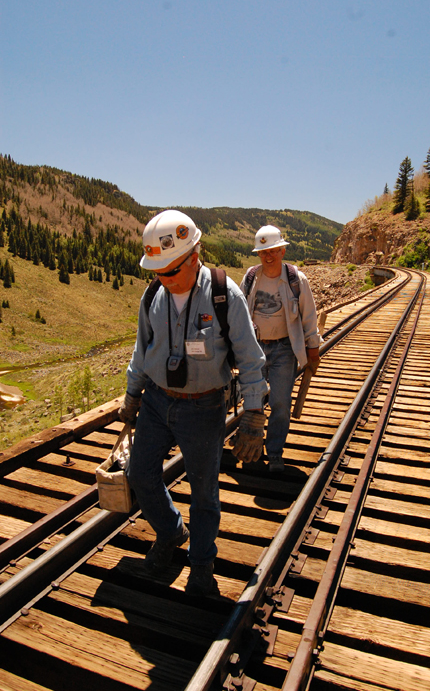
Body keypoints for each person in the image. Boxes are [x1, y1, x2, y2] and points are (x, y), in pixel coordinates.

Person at [118, 210, 268, 597]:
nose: (161, 278)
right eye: (157, 271)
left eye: (168, 270)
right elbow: (142, 350)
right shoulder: (153, 295)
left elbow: (250, 359)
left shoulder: (223, 294)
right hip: (156, 401)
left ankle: (201, 563)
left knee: (204, 492)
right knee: (140, 474)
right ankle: (171, 532)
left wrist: (254, 414)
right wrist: (132, 396)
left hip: (203, 408)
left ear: (194, 255)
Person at [240, 225, 321, 473]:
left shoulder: (297, 280)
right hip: (255, 349)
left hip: (285, 349)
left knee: (280, 402)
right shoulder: (251, 277)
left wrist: (313, 350)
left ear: (282, 251)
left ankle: (274, 452)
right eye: (263, 252)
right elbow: (239, 313)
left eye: (273, 250)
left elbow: (309, 318)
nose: (268, 256)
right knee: (252, 399)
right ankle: (252, 446)